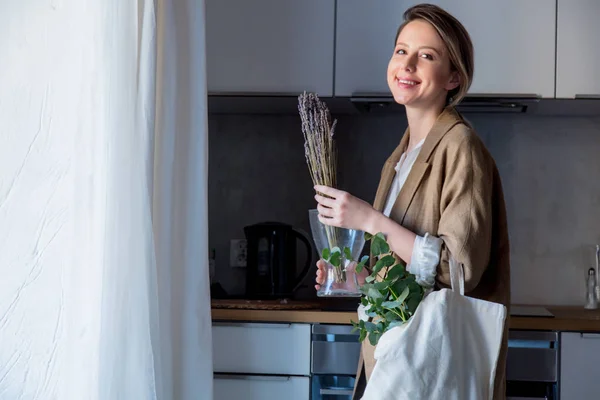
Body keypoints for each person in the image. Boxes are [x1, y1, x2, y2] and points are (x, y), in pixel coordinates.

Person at [314, 3, 510, 400]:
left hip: (432, 374)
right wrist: (359, 281)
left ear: (453, 77)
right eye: (402, 51)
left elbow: (458, 269)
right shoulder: (401, 158)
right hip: (396, 365)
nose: (407, 65)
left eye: (427, 56)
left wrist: (371, 220)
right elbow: (406, 276)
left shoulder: (460, 146)